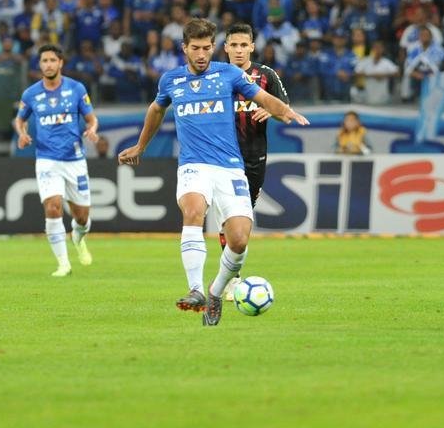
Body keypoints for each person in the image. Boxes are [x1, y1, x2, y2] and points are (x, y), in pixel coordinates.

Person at [117, 18, 308, 326]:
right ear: (185, 49)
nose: (203, 54)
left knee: (239, 240)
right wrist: (140, 147)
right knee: (193, 211)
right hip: (194, 165)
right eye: (196, 49)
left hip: (230, 167)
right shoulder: (170, 80)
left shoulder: (228, 74)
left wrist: (284, 110)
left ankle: (216, 291)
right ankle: (194, 290)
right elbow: (156, 109)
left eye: (207, 48)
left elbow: (262, 97)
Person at [218, 23, 292, 298]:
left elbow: (285, 112)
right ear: (225, 48)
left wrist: (269, 111)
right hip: (222, 158)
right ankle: (231, 278)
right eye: (233, 45)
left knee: (243, 222)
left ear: (251, 47)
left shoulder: (266, 75)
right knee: (228, 219)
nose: (238, 50)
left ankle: (230, 273)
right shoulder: (215, 75)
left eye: (243, 45)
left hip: (254, 157)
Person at [14, 45, 99, 277]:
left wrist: (92, 130)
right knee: (52, 207)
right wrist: (22, 133)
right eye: (44, 60)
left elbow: (91, 119)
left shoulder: (76, 89)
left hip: (74, 160)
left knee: (81, 216)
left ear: (60, 63)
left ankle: (79, 238)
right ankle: (63, 264)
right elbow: (19, 120)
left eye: (53, 60)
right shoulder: (31, 94)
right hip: (46, 160)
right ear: (39, 65)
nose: (48, 64)